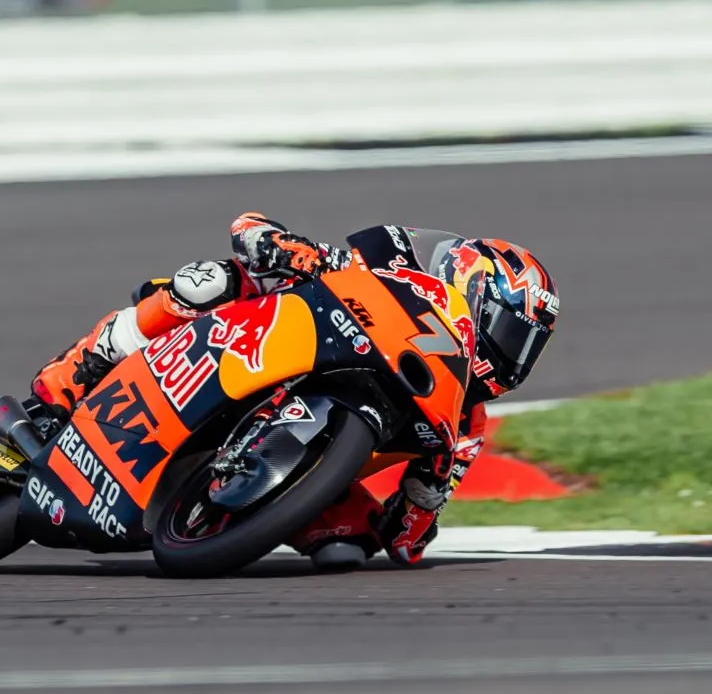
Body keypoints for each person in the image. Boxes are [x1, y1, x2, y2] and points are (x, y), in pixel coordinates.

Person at [29, 212, 559, 569]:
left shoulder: (466, 424)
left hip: (297, 462)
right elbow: (250, 227)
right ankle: (87, 362)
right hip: (248, 341)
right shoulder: (393, 255)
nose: (515, 354)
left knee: (349, 550)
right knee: (207, 281)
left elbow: (407, 539)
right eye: (513, 332)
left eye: (527, 344)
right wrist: (291, 251)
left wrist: (420, 504)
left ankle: (235, 500)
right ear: (473, 286)